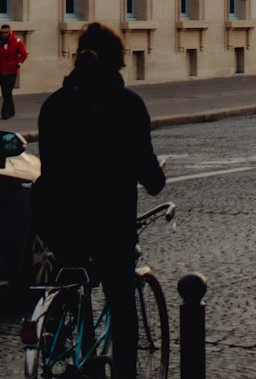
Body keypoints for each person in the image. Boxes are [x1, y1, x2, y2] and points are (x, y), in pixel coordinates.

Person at [36, 22, 166, 379]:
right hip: (111, 223)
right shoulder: (127, 105)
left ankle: (59, 344)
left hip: (62, 222)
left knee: (71, 282)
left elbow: (51, 166)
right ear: (117, 63)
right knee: (122, 305)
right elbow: (150, 175)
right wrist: (157, 178)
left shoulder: (54, 105)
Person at [0, 22, 28, 119]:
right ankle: (11, 110)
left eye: (6, 32)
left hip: (12, 70)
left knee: (8, 91)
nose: (4, 34)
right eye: (2, 32)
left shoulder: (16, 41)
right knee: (5, 91)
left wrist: (18, 63)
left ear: (10, 32)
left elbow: (24, 54)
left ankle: (5, 112)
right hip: (1, 70)